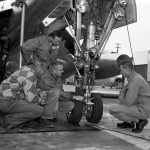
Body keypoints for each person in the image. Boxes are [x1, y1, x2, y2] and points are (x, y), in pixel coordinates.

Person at [0, 58, 46, 130]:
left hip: (5, 100)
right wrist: (41, 100)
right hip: (6, 102)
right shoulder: (31, 75)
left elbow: (25, 88)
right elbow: (32, 99)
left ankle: (11, 118)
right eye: (44, 69)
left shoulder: (25, 69)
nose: (43, 72)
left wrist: (38, 92)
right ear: (38, 67)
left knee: (32, 103)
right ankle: (7, 121)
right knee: (40, 110)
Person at [108, 59, 150, 133]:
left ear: (127, 69)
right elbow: (122, 99)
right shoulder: (133, 79)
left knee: (112, 108)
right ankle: (129, 122)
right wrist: (123, 94)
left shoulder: (135, 80)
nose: (120, 72)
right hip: (139, 107)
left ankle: (139, 121)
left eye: (121, 70)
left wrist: (123, 95)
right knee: (118, 107)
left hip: (143, 110)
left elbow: (128, 102)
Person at [38, 60, 84, 126]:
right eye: (61, 70)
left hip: (50, 101)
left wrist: (70, 98)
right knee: (55, 92)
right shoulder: (45, 78)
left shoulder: (57, 77)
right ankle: (44, 118)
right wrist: (73, 97)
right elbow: (57, 92)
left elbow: (61, 91)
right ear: (54, 71)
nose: (63, 71)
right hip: (41, 102)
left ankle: (52, 116)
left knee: (70, 105)